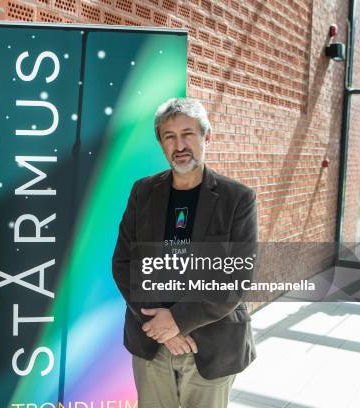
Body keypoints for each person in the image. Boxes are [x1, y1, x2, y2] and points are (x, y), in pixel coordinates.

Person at [112, 98, 257, 408]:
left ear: (207, 136)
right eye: (169, 136)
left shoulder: (237, 199)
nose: (180, 145)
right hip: (151, 341)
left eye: (188, 134)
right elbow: (123, 263)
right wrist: (162, 328)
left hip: (211, 345)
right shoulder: (143, 192)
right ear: (161, 143)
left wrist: (177, 321)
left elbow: (237, 278)